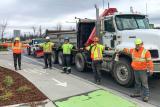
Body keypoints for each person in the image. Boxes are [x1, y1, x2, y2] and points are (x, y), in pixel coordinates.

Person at [123, 38, 154, 102]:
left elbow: (149, 61)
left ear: (141, 44)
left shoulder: (146, 52)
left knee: (144, 83)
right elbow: (127, 50)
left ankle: (146, 96)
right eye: (136, 44)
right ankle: (137, 93)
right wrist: (123, 49)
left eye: (138, 44)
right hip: (135, 69)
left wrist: (151, 69)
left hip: (143, 70)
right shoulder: (133, 50)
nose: (137, 46)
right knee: (137, 82)